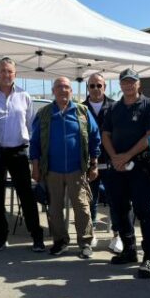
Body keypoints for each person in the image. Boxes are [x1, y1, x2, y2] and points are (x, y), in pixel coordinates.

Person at [30, 77, 101, 258]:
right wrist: (35, 167)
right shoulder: (44, 113)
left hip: (77, 169)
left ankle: (85, 243)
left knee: (82, 207)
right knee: (54, 209)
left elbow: (95, 138)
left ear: (71, 91)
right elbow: (35, 142)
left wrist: (94, 164)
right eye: (59, 87)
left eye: (66, 87)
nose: (63, 90)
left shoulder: (82, 111)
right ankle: (60, 241)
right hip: (52, 170)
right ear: (53, 91)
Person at [102, 68, 150, 278]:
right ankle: (129, 250)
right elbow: (105, 135)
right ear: (120, 85)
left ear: (138, 84)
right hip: (117, 167)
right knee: (119, 209)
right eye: (124, 82)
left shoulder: (149, 105)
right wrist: (115, 158)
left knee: (144, 211)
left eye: (131, 82)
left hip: (140, 167)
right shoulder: (113, 108)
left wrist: (126, 156)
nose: (128, 85)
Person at [0, 57, 45, 252]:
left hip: (19, 151)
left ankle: (36, 236)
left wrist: (34, 155)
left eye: (9, 71)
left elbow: (31, 127)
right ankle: (1, 236)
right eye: (2, 71)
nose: (6, 74)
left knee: (26, 195)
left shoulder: (24, 96)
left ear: (15, 74)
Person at [82, 72, 123, 253]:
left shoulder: (115, 107)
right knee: (90, 201)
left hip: (111, 163)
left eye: (99, 85)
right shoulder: (80, 108)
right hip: (88, 164)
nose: (96, 88)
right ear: (87, 88)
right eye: (92, 85)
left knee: (115, 200)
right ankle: (90, 234)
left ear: (105, 87)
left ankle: (117, 235)